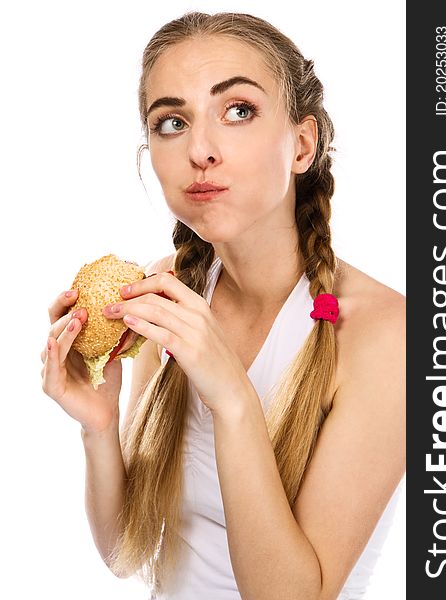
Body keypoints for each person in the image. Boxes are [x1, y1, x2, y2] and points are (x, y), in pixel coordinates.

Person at [41, 11, 405, 600]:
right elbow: (124, 551)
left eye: (238, 110)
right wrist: (100, 429)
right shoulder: (169, 292)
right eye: (171, 122)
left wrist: (231, 393)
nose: (200, 150)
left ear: (303, 144)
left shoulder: (387, 334)